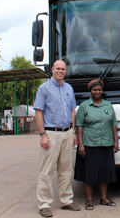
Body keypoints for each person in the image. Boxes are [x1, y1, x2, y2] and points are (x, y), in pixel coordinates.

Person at [34, 60, 81, 217]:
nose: (60, 71)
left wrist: (73, 132)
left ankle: (66, 200)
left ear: (65, 71)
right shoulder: (44, 88)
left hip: (67, 133)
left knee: (65, 170)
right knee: (46, 170)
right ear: (52, 70)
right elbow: (39, 112)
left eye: (63, 69)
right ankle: (44, 204)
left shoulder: (69, 88)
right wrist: (42, 135)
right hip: (51, 134)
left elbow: (72, 111)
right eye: (58, 68)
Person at [74, 79, 119, 210]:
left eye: (99, 90)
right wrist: (81, 145)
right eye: (95, 90)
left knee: (104, 173)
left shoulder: (108, 105)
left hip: (106, 144)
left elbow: (114, 124)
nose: (97, 92)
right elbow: (79, 126)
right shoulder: (84, 106)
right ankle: (89, 200)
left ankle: (104, 198)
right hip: (89, 144)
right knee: (89, 173)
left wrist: (116, 142)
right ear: (90, 91)